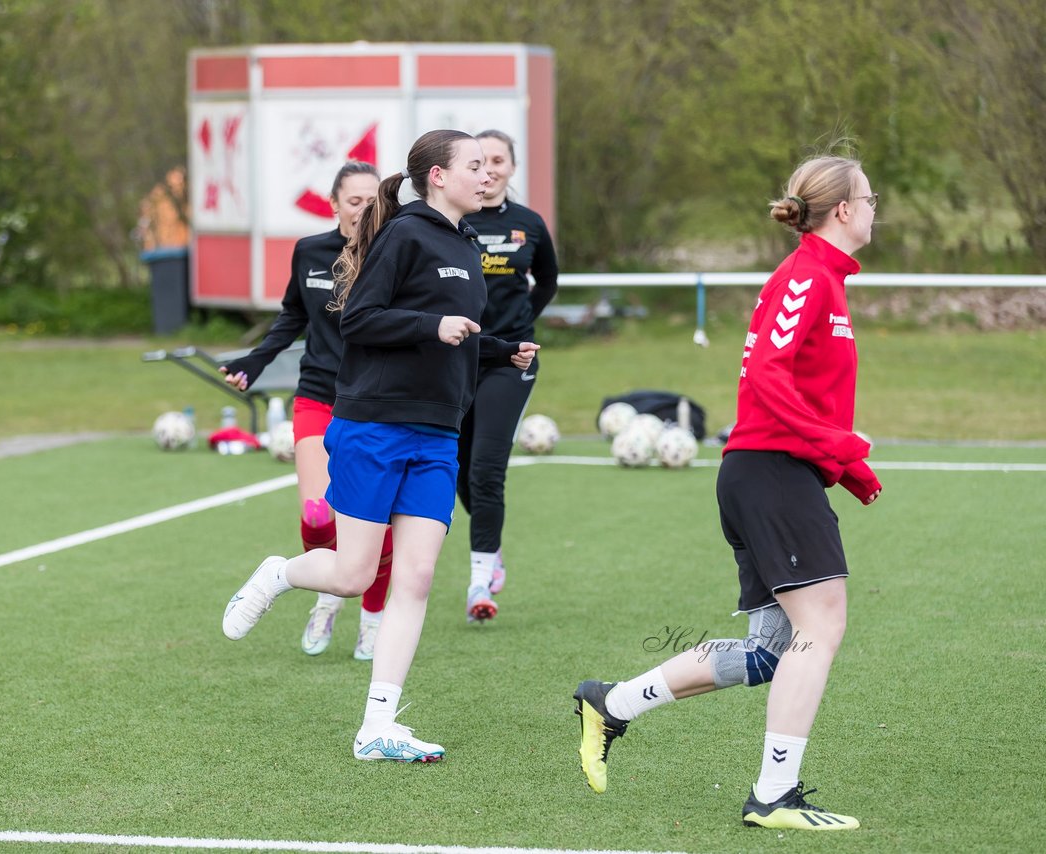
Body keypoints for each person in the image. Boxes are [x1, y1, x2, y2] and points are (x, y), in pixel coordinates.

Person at [572, 154, 882, 830]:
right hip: (768, 470)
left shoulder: (826, 279)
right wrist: (834, 448)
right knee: (821, 626)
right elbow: (767, 377)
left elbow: (801, 392)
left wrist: (848, 469)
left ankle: (613, 703)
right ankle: (772, 797)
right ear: (844, 210)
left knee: (772, 651)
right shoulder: (805, 275)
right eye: (869, 195)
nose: (875, 205)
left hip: (776, 471)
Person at [222, 130, 540, 762]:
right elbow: (359, 319)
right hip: (376, 423)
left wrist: (500, 349)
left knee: (416, 577)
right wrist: (433, 326)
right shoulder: (404, 234)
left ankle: (377, 726)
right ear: (437, 178)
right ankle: (278, 574)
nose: (486, 177)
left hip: (437, 431)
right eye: (472, 166)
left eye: (488, 166)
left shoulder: (467, 241)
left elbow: (458, 330)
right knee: (352, 572)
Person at [219, 162, 390, 661]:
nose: (363, 209)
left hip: (374, 401)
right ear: (334, 204)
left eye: (371, 200)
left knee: (376, 524)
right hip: (318, 393)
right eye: (354, 200)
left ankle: (374, 622)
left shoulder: (392, 254)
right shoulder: (310, 251)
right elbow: (292, 315)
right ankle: (326, 597)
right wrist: (255, 360)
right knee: (318, 518)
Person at [457, 129, 559, 623]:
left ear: (512, 168)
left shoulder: (528, 223)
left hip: (512, 359)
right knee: (457, 469)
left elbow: (548, 281)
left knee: (486, 468)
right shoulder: (452, 222)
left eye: (498, 160)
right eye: (480, 161)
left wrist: (519, 324)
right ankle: (490, 545)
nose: (490, 169)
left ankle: (480, 577)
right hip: (456, 359)